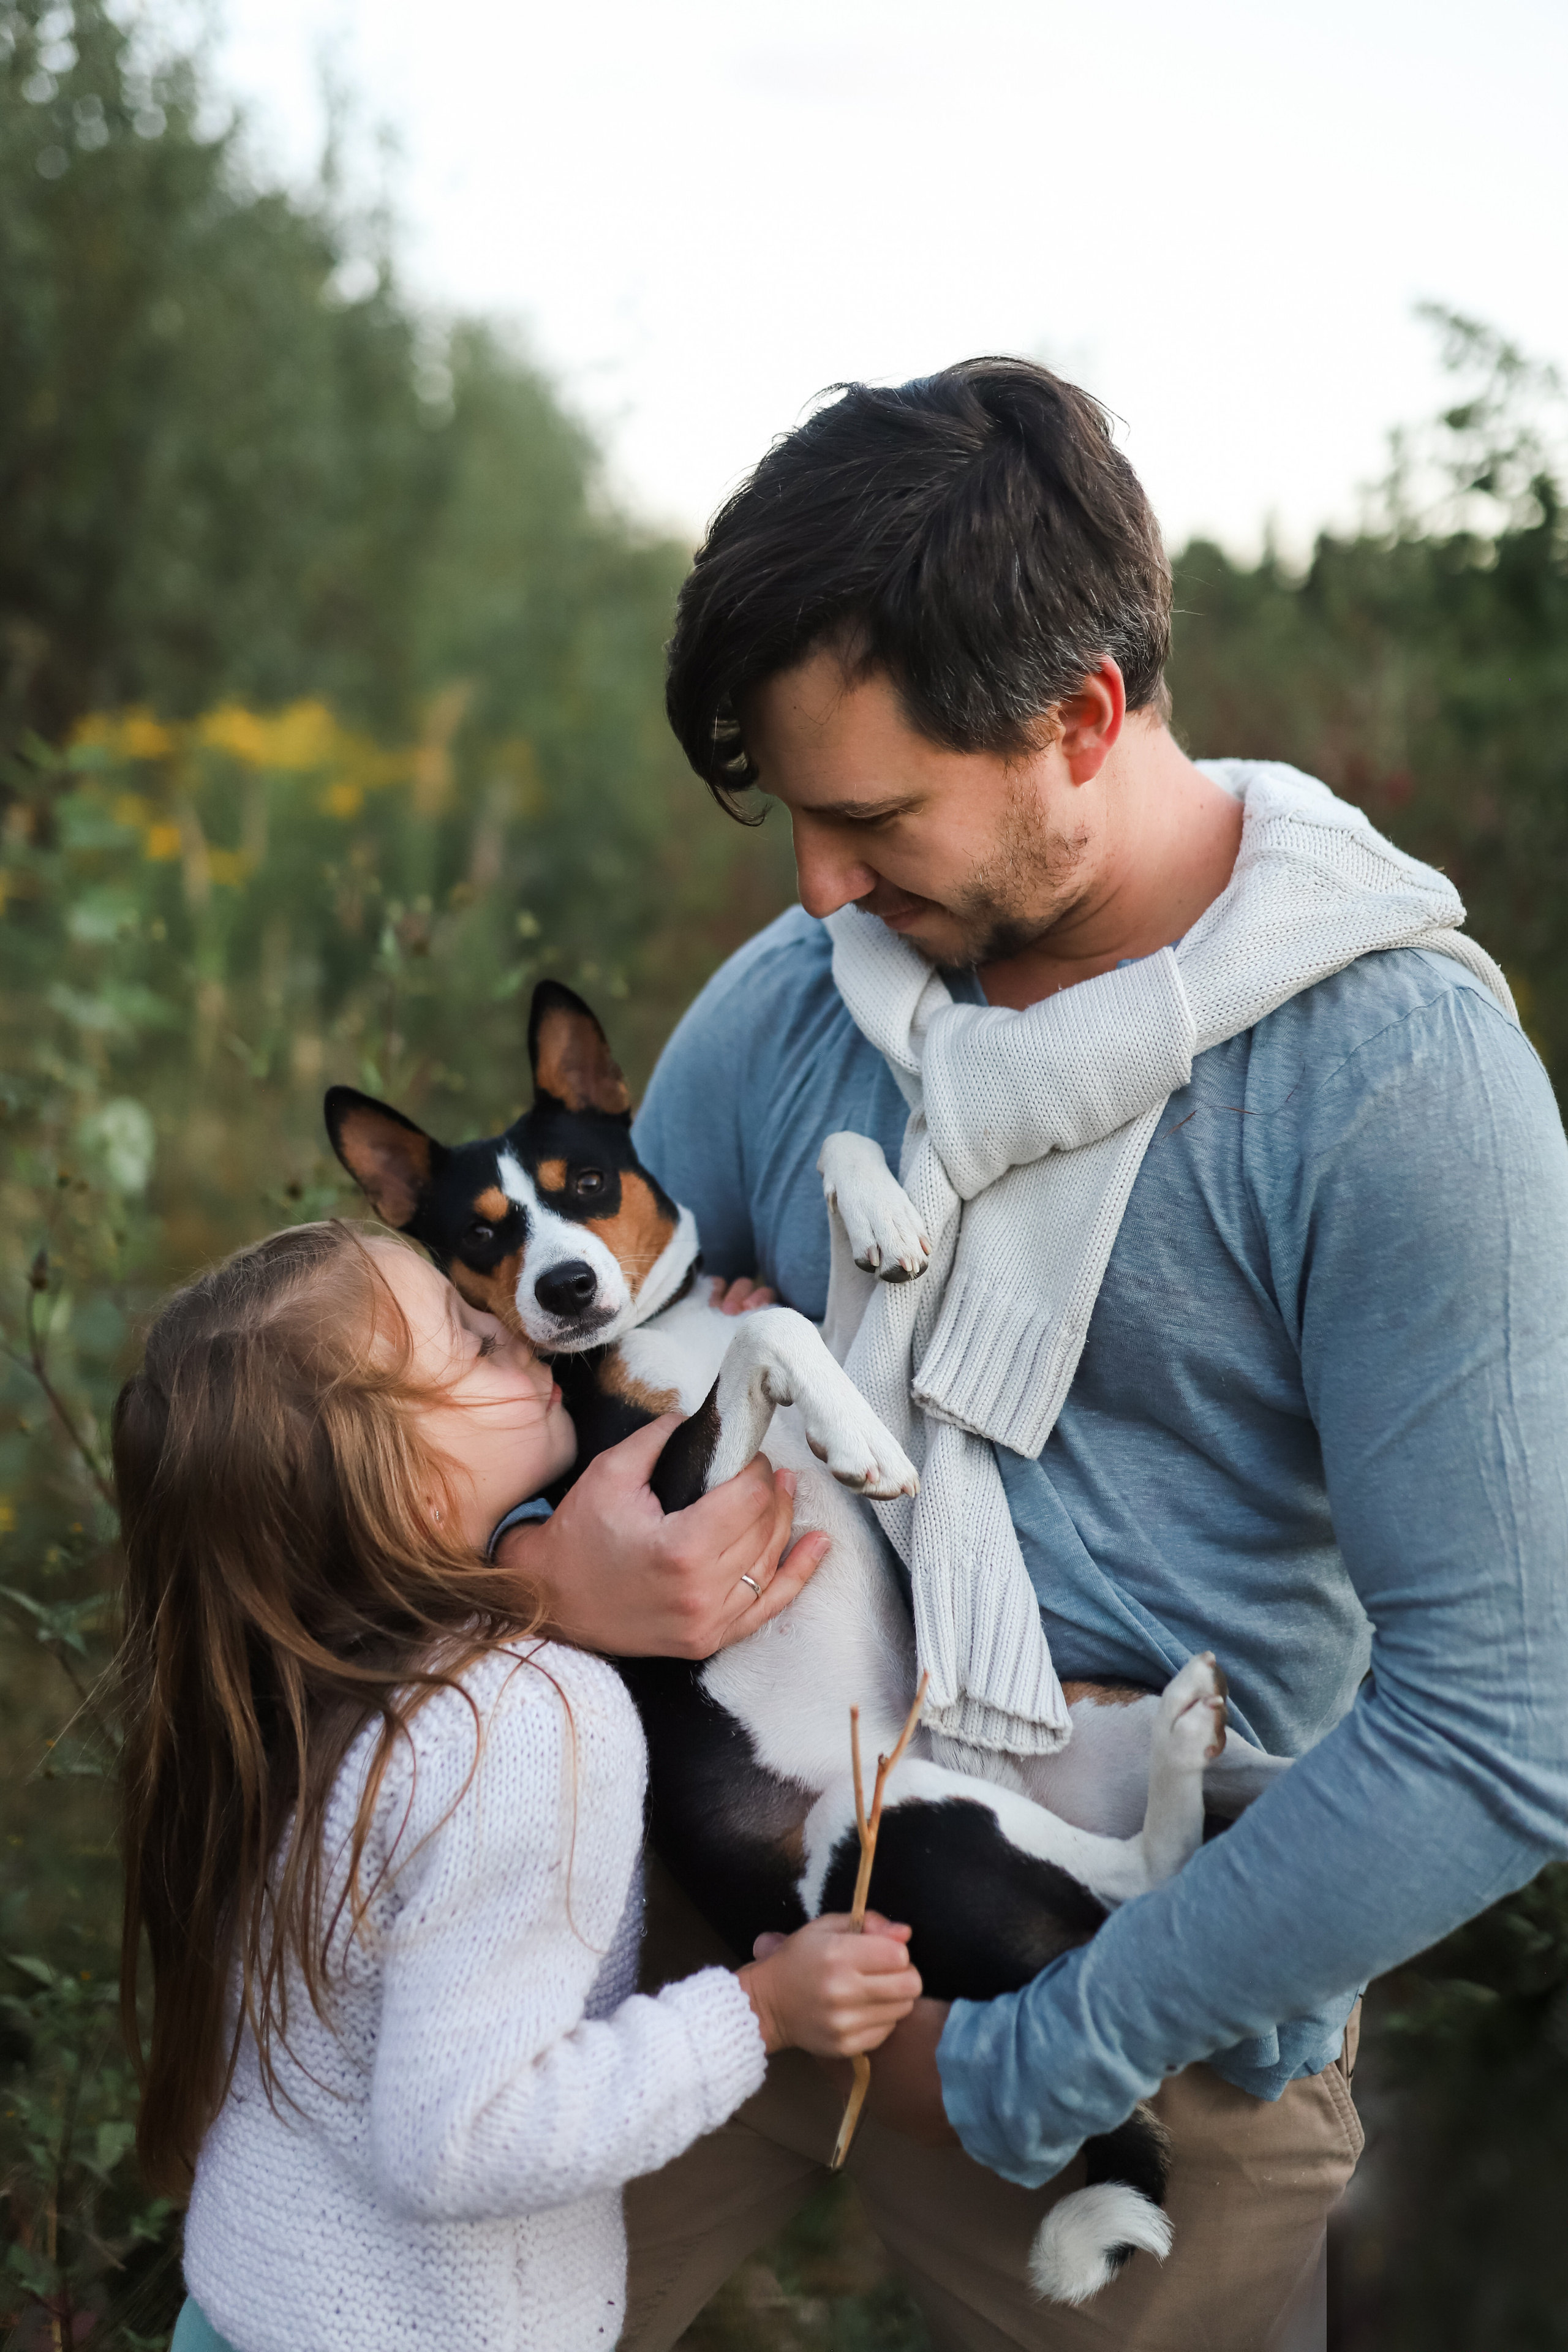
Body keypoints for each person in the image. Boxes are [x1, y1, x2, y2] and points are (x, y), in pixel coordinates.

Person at [496, 360, 1568, 2349]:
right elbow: (540, 1386)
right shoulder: (796, 1000)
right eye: (796, 818)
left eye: (871, 817)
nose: (817, 888)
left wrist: (1026, 2060)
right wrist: (541, 1576)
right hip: (695, 1932)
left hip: (1128, 2000)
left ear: (1080, 716)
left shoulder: (1401, 1085)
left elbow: (1503, 1735)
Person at [114, 1219, 922, 2352]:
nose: (509, 1321)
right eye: (470, 1340)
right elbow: (465, 2137)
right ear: (392, 1474)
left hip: (244, 2305)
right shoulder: (521, 1723)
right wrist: (760, 2014)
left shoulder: (292, 1684)